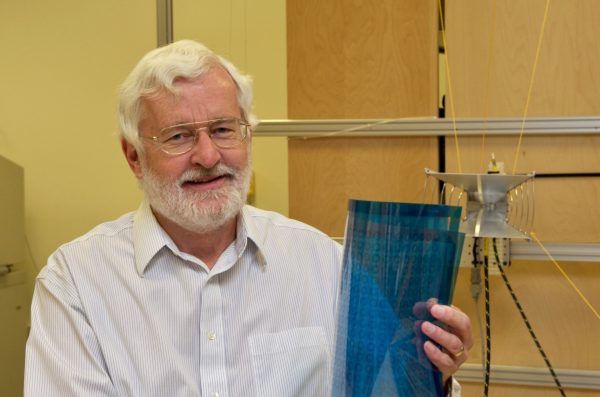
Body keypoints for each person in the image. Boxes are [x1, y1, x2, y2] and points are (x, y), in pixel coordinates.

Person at [24, 39, 472, 396]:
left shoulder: (325, 263)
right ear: (134, 157)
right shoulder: (76, 283)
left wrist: (433, 370)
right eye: (178, 136)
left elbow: (387, 386)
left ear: (247, 135)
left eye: (223, 129)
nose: (208, 155)